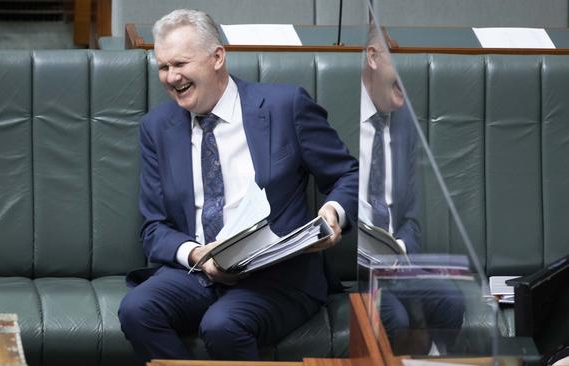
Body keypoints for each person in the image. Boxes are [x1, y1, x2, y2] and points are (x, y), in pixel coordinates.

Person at [118, 9, 358, 364]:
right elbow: (154, 228)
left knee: (223, 325)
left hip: (280, 275)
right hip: (200, 271)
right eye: (163, 67)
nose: (171, 77)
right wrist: (199, 255)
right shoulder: (157, 127)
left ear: (217, 57)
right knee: (137, 310)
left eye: (180, 63)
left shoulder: (284, 106)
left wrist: (333, 213)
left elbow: (347, 175)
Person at [360, 24, 464, 354]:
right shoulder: (338, 112)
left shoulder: (404, 122)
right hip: (355, 266)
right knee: (395, 318)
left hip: (398, 265)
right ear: (373, 58)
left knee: (451, 301)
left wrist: (399, 253)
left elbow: (412, 216)